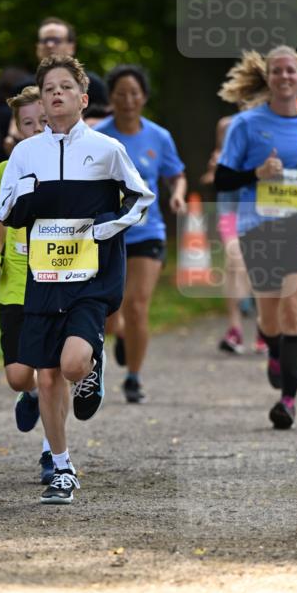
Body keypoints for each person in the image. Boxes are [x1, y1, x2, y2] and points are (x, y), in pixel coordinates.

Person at [0, 55, 153, 504]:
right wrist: (27, 191)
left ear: (83, 99)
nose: (56, 94)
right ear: (42, 102)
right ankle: (61, 468)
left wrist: (104, 229)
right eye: (49, 89)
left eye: (65, 87)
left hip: (92, 276)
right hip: (44, 277)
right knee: (45, 380)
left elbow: (141, 198)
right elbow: (4, 213)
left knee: (71, 365)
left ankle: (92, 364)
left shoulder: (107, 149)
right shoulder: (25, 153)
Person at [214, 46, 297, 430]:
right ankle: (273, 348)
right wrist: (256, 173)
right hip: (259, 226)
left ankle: (289, 401)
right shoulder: (245, 125)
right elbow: (222, 179)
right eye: (277, 71)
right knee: (270, 319)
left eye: (290, 71)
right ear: (268, 78)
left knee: (294, 312)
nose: (284, 77)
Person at [95, 65, 186, 403]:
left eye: (134, 94)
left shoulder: (159, 137)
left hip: (148, 232)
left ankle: (133, 377)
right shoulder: (98, 135)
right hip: (106, 233)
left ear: (144, 97)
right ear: (111, 99)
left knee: (136, 306)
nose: (128, 101)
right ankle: (119, 335)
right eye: (120, 94)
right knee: (109, 313)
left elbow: (177, 174)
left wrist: (177, 193)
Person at [0, 86, 55, 484]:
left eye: (43, 120)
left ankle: (52, 454)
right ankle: (30, 396)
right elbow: (0, 217)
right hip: (14, 283)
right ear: (17, 128)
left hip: (55, 278)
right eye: (28, 123)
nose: (37, 128)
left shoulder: (67, 165)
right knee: (18, 376)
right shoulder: (6, 170)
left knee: (50, 369)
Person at [202, 113, 266, 356]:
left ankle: (264, 328)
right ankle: (235, 329)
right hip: (229, 206)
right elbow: (221, 158)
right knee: (234, 261)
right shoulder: (226, 124)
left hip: (259, 207)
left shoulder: (271, 122)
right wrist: (215, 168)